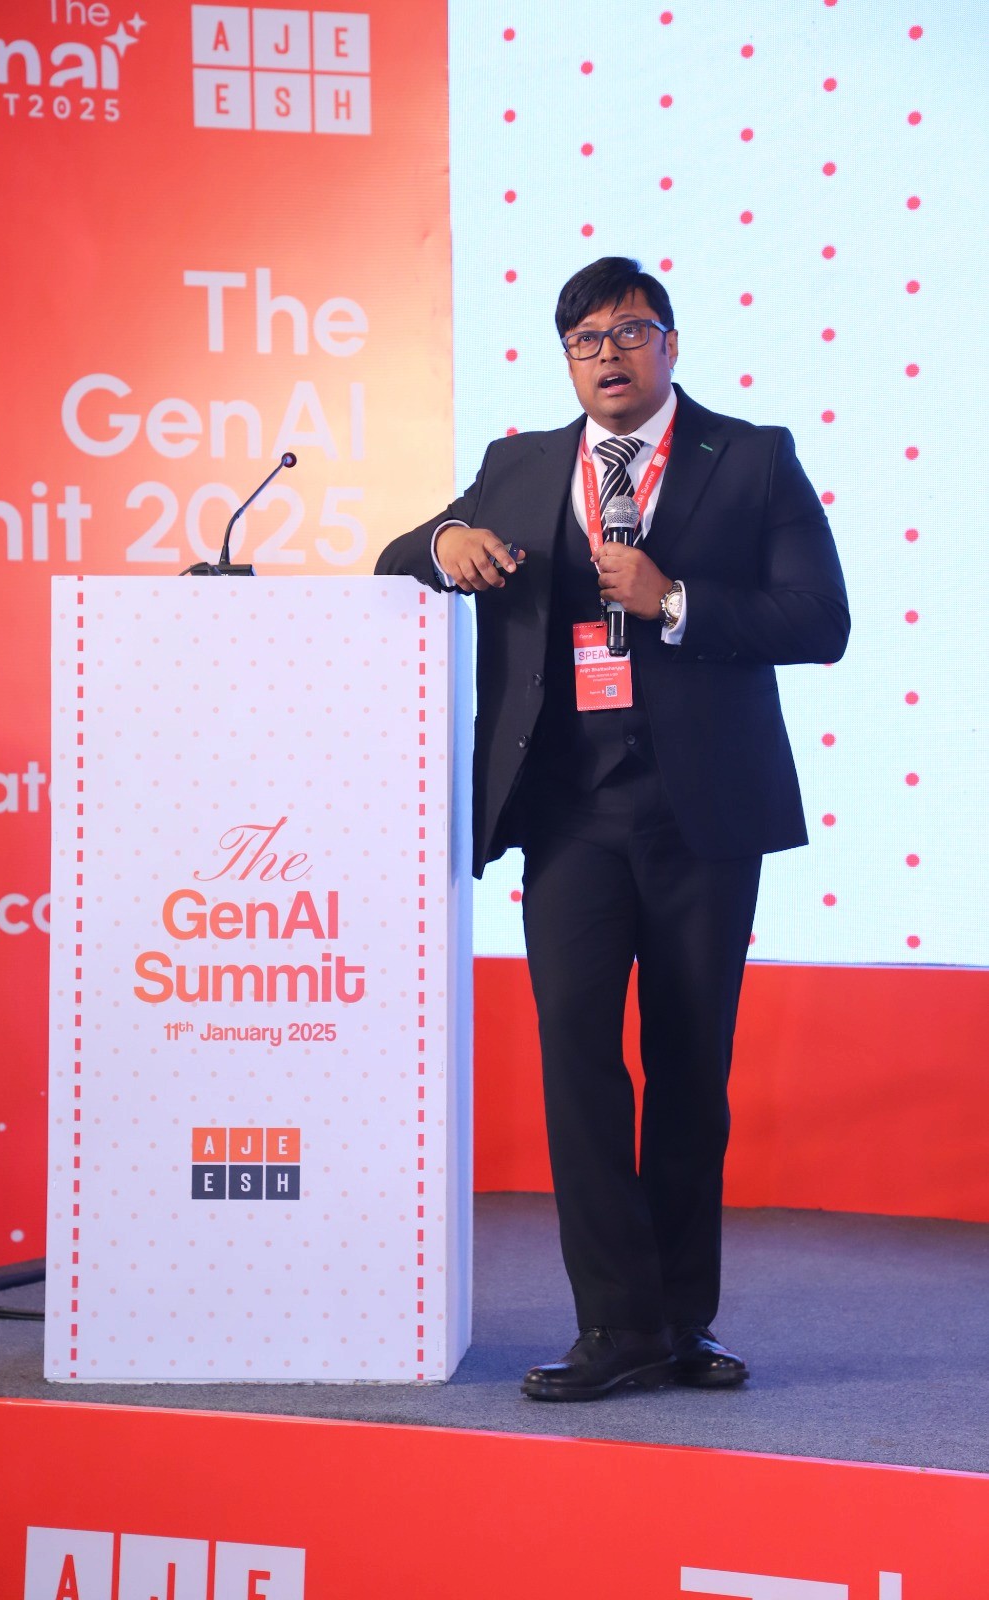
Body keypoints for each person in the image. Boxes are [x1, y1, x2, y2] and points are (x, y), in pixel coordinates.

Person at [375, 256, 849, 1400]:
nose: (608, 355)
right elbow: (398, 555)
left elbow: (819, 620)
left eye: (629, 332)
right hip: (569, 816)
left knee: (691, 1066)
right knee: (579, 1063)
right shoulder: (518, 464)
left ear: (670, 343)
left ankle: (681, 1322)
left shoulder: (755, 457)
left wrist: (674, 601)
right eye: (585, 340)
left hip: (703, 817)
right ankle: (615, 1325)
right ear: (567, 360)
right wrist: (443, 551)